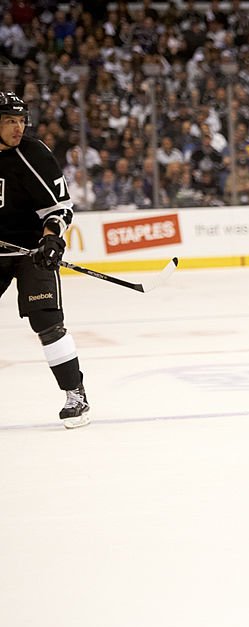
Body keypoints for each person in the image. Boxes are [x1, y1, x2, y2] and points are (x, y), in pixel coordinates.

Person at [0, 92, 89, 428]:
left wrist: (52, 238)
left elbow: (59, 208)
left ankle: (75, 395)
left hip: (31, 252)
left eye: (21, 120)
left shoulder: (34, 154)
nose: (17, 127)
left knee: (48, 323)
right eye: (9, 120)